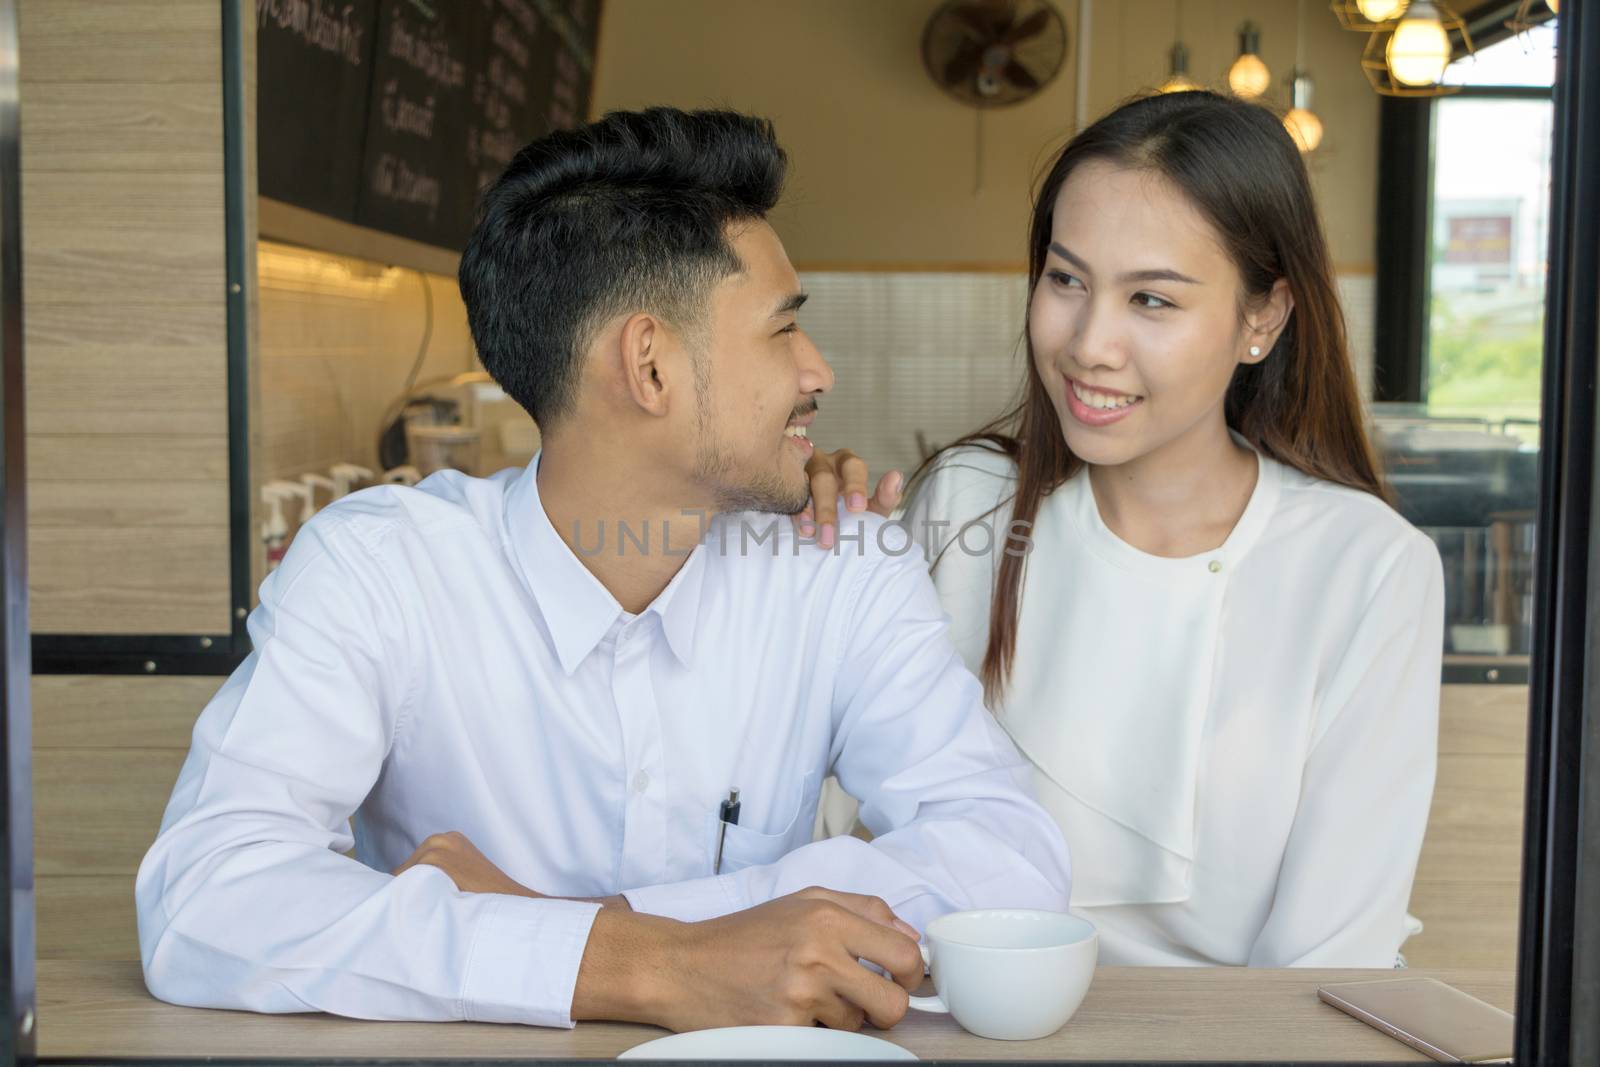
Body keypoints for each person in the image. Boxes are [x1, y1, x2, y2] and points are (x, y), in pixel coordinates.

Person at [135, 108, 1071, 1033]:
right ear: (650, 366)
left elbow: (1008, 855)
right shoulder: (382, 570)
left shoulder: (843, 561)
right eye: (784, 329)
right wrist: (656, 966)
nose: (818, 371)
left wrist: (588, 933)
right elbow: (203, 895)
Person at [803, 91, 1443, 968]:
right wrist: (806, 563)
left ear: (1263, 317)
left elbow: (1328, 961)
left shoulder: (1365, 567)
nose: (1089, 343)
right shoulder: (968, 503)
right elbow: (832, 827)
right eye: (1067, 280)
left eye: (1151, 299)